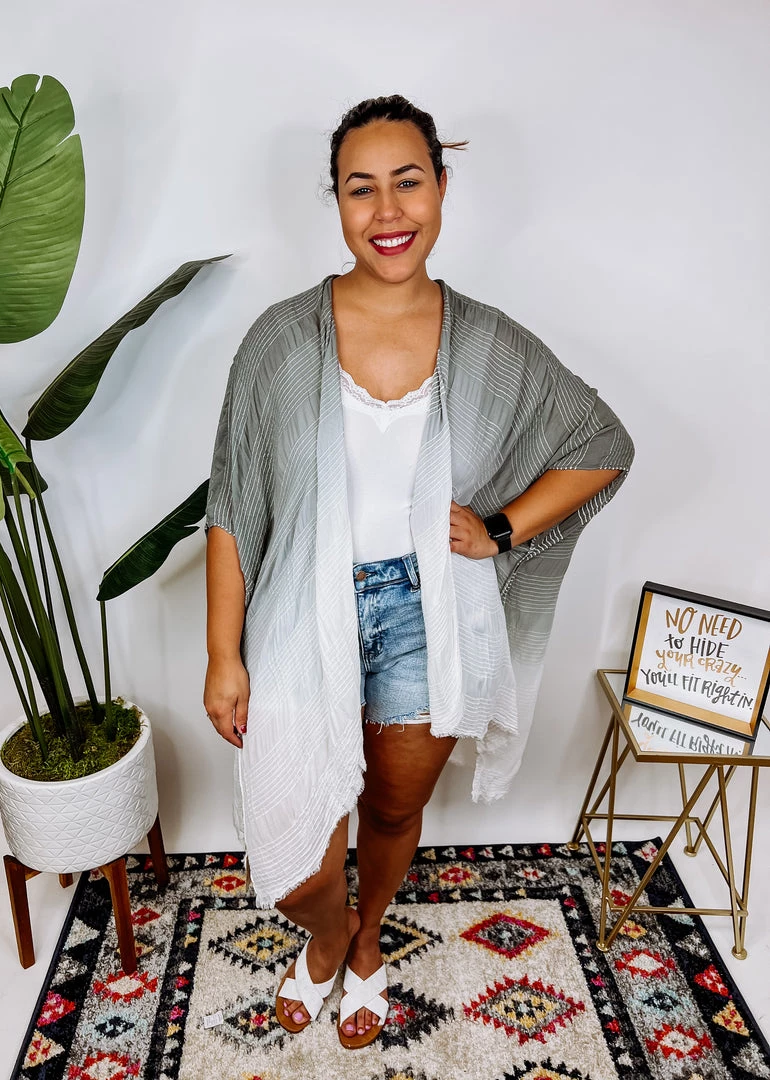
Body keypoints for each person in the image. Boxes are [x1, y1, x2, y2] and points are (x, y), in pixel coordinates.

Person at [203, 94, 634, 1050]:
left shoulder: (488, 341)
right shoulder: (280, 340)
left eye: (408, 182)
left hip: (429, 614)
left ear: (442, 187)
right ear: (336, 202)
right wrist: (223, 656)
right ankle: (326, 932)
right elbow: (233, 502)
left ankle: (365, 946)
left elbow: (600, 443)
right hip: (301, 613)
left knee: (396, 807)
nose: (387, 210)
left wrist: (500, 530)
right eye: (361, 189)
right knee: (299, 855)